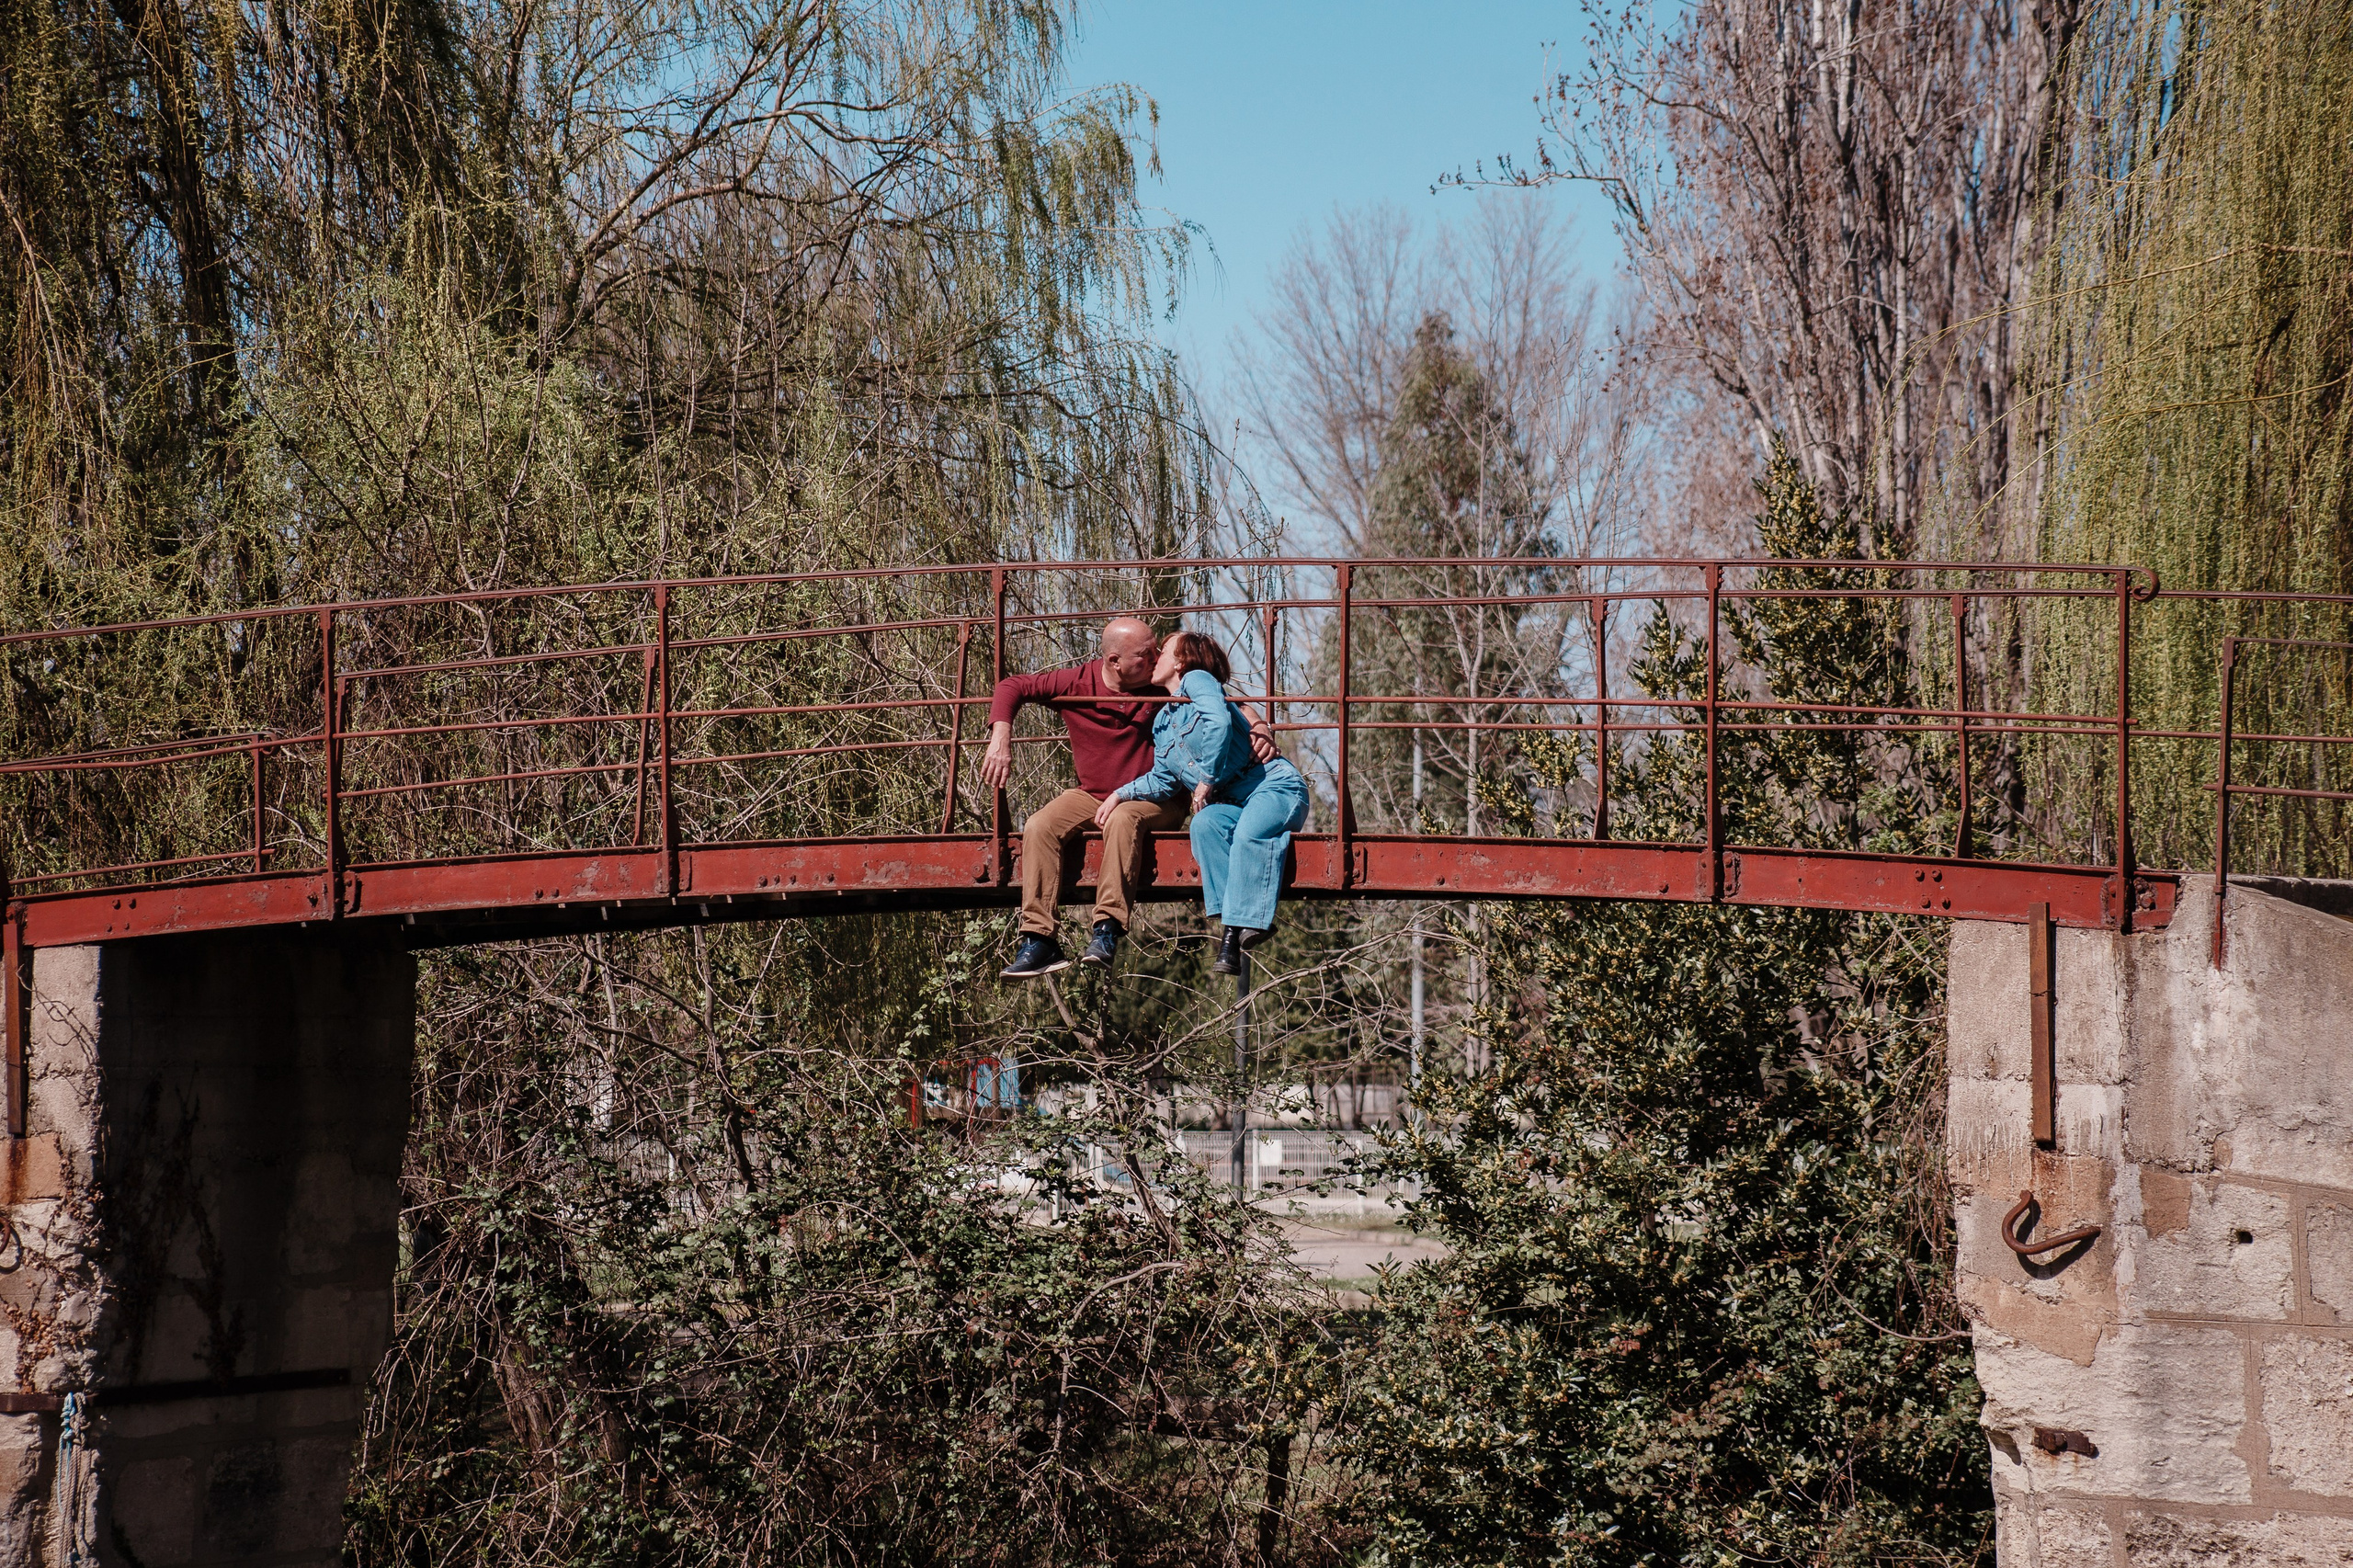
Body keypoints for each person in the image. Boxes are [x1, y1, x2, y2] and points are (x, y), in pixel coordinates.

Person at [983, 616, 1274, 979]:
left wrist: (1259, 725)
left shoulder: (1160, 683)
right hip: (1095, 795)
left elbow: (1226, 704)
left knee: (1123, 818)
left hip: (1158, 798)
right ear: (1114, 661)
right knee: (1040, 825)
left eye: (1157, 650)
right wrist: (1001, 738)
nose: (1156, 658)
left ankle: (1106, 930)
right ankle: (1038, 939)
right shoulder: (1078, 683)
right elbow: (1013, 686)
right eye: (1145, 654)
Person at [1100, 631, 1309, 976]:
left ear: (1180, 662)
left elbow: (1219, 722)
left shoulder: (1198, 681)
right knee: (1205, 824)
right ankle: (1242, 925)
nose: (1155, 657)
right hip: (1233, 802)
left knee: (1248, 834)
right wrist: (1120, 794)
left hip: (1272, 786)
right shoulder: (1163, 723)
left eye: (1163, 651)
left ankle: (1233, 934)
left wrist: (1207, 779)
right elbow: (1163, 780)